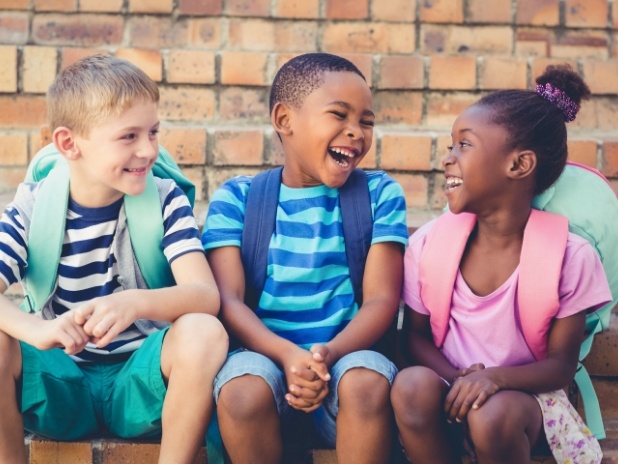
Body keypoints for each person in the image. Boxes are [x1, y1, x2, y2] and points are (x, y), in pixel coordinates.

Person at [0, 55, 228, 464]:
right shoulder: (32, 208)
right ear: (69, 143)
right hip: (60, 384)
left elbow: (205, 294)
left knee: (203, 331)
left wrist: (135, 302)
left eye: (153, 132)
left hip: (141, 387)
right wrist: (36, 330)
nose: (148, 150)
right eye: (129, 137)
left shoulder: (164, 199)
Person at [391, 64, 612, 464]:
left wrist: (493, 379)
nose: (448, 158)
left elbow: (560, 366)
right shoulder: (428, 246)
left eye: (465, 145)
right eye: (450, 145)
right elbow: (414, 340)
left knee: (491, 415)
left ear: (518, 165)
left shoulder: (570, 256)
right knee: (410, 385)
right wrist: (461, 378)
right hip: (452, 390)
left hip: (526, 405)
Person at [202, 52, 409, 464]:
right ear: (284, 120)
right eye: (339, 115)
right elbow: (228, 300)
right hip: (266, 372)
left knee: (366, 380)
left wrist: (324, 356)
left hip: (346, 368)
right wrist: (287, 357)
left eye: (366, 121)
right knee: (240, 390)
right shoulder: (238, 199)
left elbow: (382, 300)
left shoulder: (380, 195)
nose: (356, 132)